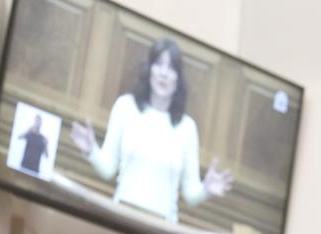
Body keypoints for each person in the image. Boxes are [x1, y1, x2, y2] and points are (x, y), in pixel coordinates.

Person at [70, 38, 232, 223]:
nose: (164, 73)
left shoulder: (187, 128)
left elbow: (190, 194)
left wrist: (206, 189)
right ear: (149, 70)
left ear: (178, 79)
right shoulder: (125, 106)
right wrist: (91, 150)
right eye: (159, 64)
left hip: (164, 227)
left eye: (171, 68)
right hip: (121, 216)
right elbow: (108, 170)